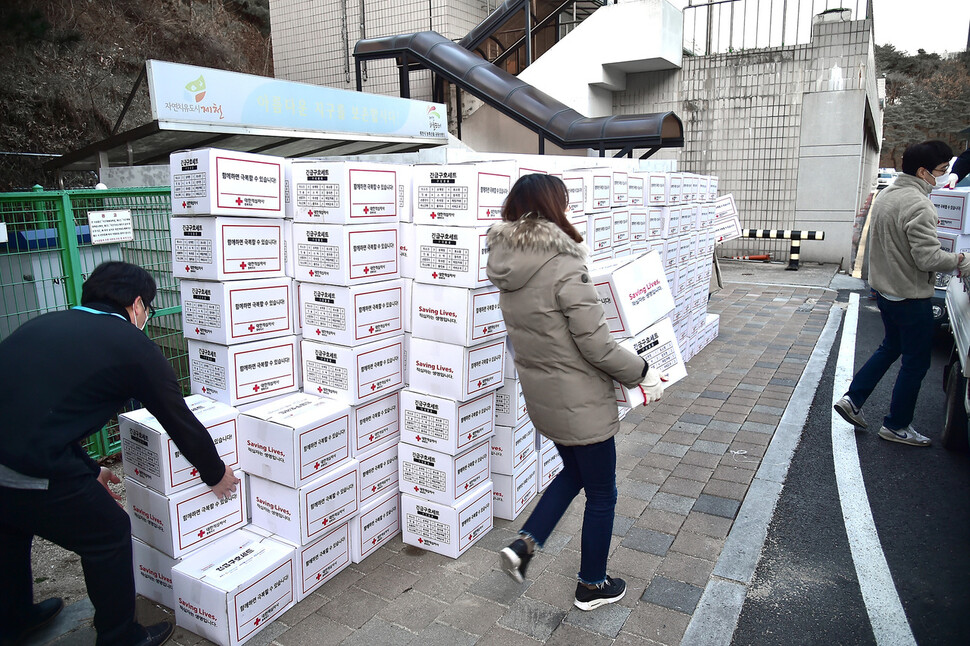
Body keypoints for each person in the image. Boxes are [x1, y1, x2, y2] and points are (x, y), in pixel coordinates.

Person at [0, 262, 239, 646]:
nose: (146, 317)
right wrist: (214, 472)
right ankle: (120, 637)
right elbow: (177, 417)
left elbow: (41, 412)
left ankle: (13, 618)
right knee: (109, 532)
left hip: (19, 452)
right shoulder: (132, 345)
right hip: (28, 463)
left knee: (10, 528)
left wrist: (86, 467)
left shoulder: (45, 324)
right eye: (150, 310)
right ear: (137, 304)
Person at [486, 174, 664, 610]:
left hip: (545, 398)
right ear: (554, 207)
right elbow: (596, 344)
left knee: (574, 473)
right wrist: (642, 371)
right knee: (603, 491)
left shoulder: (506, 264)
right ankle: (592, 585)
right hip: (580, 400)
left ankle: (525, 544)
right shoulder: (564, 264)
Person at [834, 141, 970, 446]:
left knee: (889, 347)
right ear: (923, 172)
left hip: (885, 291)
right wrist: (961, 260)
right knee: (916, 363)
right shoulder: (919, 204)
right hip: (910, 296)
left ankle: (853, 399)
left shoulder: (887, 195)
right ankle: (896, 425)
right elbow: (929, 259)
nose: (945, 175)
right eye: (941, 170)